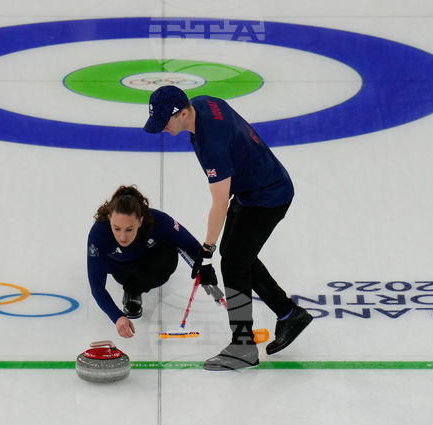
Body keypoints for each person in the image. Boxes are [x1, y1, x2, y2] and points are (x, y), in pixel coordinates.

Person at [142, 85, 312, 371]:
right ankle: (289, 314)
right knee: (238, 257)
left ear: (183, 113)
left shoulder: (213, 145)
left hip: (267, 197)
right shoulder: (202, 103)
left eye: (165, 122)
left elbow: (219, 203)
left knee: (233, 262)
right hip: (251, 189)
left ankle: (243, 346)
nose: (161, 129)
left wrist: (206, 252)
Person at [86, 185, 205, 339]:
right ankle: (131, 288)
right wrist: (117, 316)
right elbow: (97, 287)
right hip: (122, 270)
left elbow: (190, 245)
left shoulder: (159, 221)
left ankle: (135, 288)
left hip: (149, 259)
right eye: (116, 228)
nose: (122, 237)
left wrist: (207, 269)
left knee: (168, 257)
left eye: (129, 229)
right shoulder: (98, 234)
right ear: (109, 219)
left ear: (140, 221)